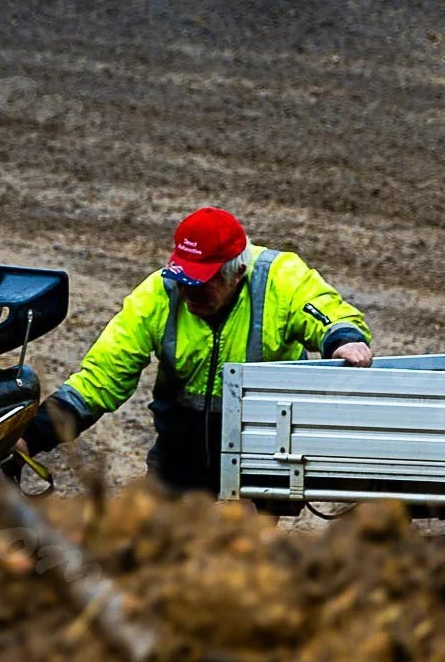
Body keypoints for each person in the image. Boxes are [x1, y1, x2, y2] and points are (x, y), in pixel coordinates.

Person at [19, 207, 373, 491]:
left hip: (262, 453)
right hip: (180, 451)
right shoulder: (157, 294)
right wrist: (30, 438)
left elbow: (325, 311)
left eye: (202, 283)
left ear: (238, 274)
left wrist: (344, 340)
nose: (188, 292)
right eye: (184, 279)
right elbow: (100, 379)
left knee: (239, 558)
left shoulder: (280, 279)